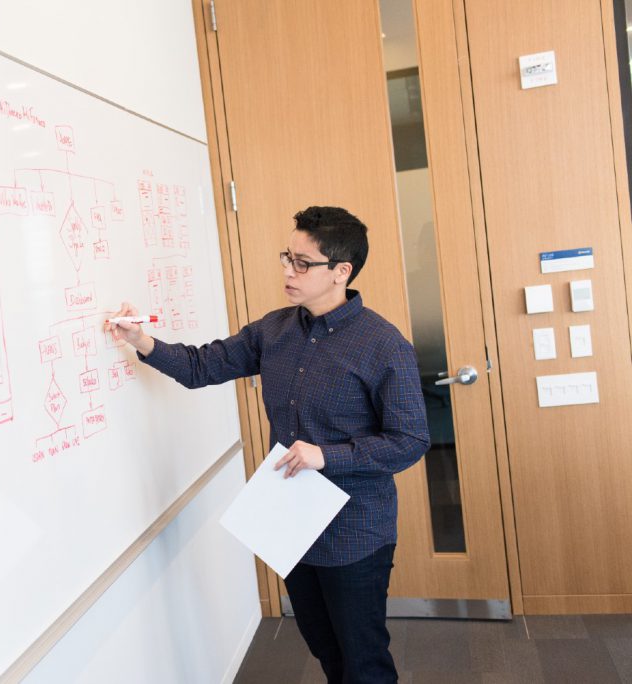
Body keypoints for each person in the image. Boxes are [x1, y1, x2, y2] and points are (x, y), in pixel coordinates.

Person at [105, 205, 429, 683]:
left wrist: (328, 456)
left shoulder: (383, 345)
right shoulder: (274, 330)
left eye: (303, 263)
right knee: (326, 652)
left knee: (363, 661)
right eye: (287, 257)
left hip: (354, 531)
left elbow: (410, 441)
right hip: (292, 524)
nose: (287, 271)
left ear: (342, 271)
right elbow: (202, 367)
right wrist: (142, 340)